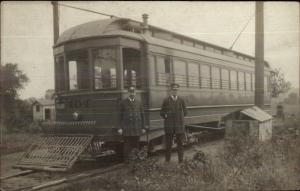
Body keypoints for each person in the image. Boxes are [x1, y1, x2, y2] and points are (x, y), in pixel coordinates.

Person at [160, 83, 187, 163]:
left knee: (180, 144)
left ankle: (181, 161)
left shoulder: (181, 100)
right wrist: (167, 117)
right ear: (171, 90)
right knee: (168, 144)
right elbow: (162, 113)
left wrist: (179, 118)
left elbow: (185, 112)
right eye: (173, 90)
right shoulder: (166, 100)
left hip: (179, 126)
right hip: (169, 126)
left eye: (176, 90)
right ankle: (167, 161)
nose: (175, 91)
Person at [119, 86, 146, 161]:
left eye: (133, 92)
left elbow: (142, 115)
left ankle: (135, 160)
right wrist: (120, 128)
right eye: (130, 92)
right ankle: (127, 161)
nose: (132, 94)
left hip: (137, 127)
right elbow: (119, 116)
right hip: (127, 128)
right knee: (127, 145)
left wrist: (143, 127)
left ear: (135, 93)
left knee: (136, 144)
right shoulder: (123, 103)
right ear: (128, 93)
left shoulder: (139, 102)